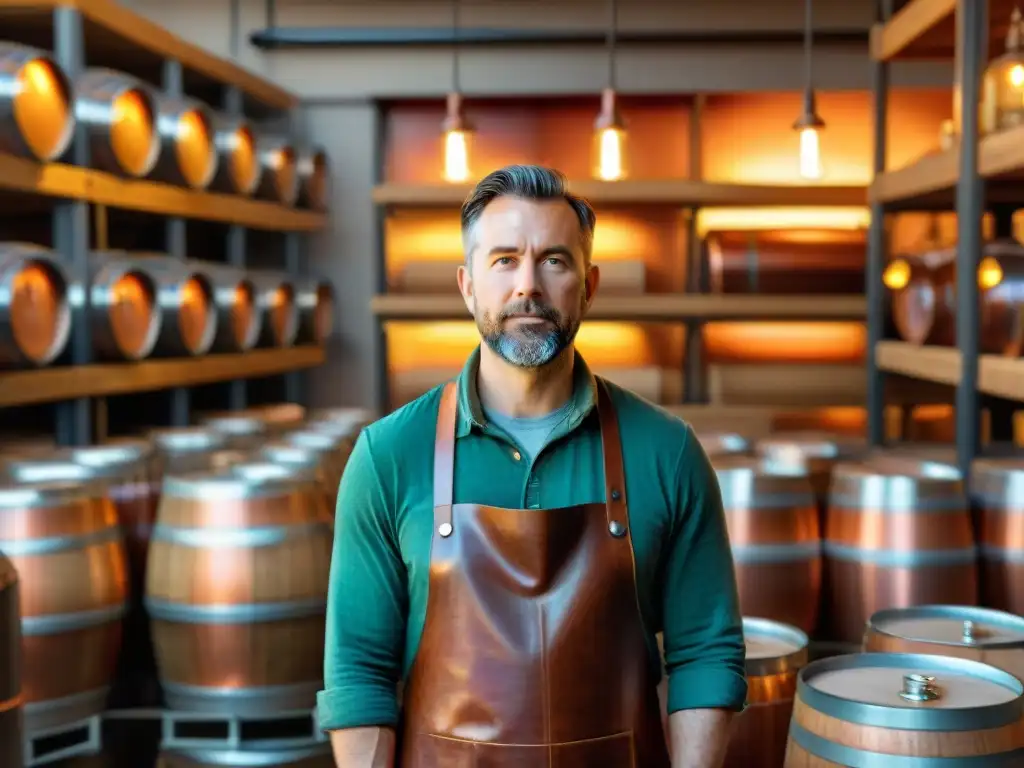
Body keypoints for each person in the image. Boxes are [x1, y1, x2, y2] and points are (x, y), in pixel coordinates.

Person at [318, 164, 747, 768]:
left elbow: (706, 654)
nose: (528, 286)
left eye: (553, 260)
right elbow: (359, 674)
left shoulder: (667, 452)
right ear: (467, 286)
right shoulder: (387, 456)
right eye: (504, 260)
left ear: (589, 285)